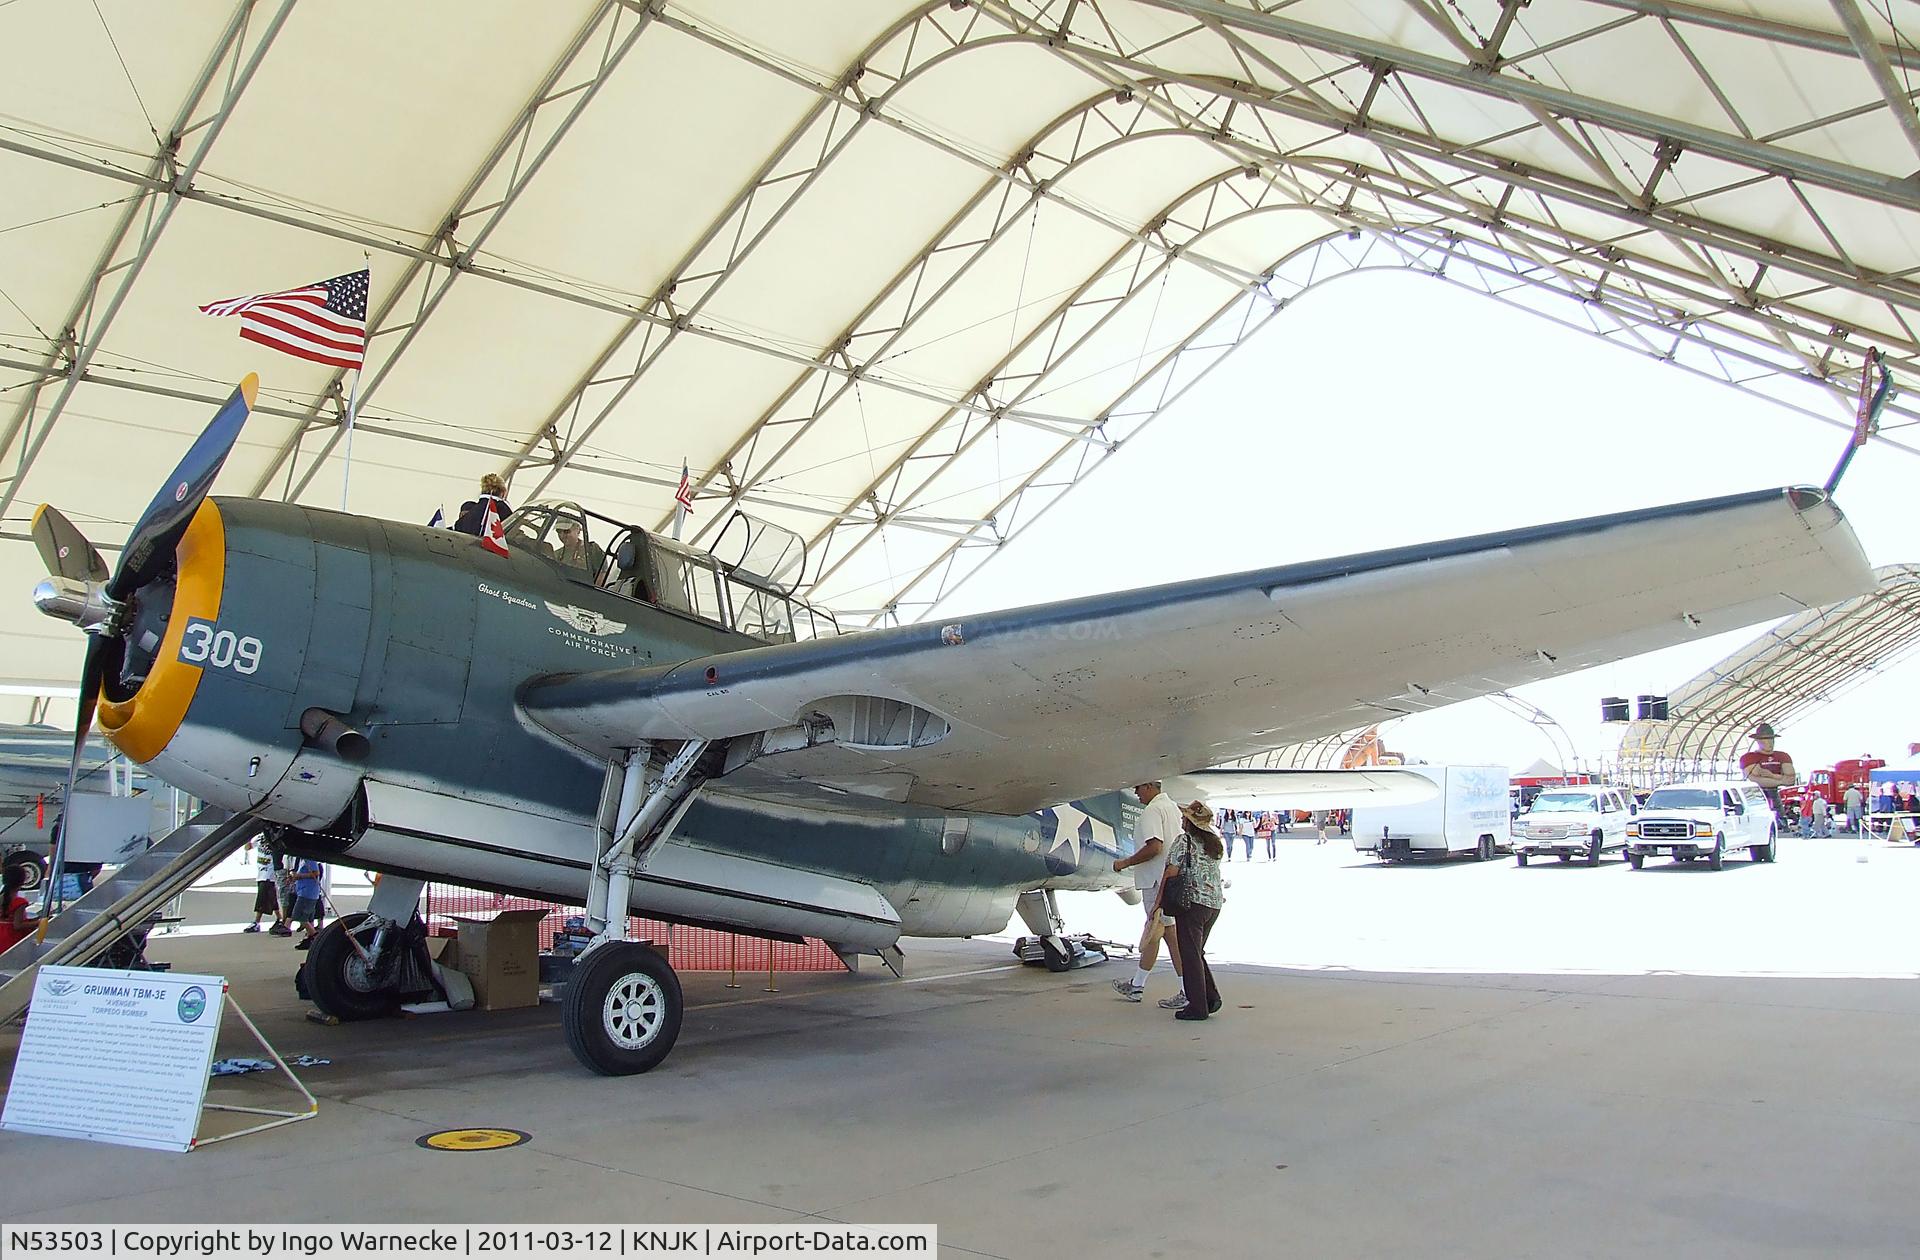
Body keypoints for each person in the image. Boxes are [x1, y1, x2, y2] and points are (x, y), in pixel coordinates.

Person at [1111, 781, 1183, 1003]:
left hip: (1156, 881)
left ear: (1151, 786)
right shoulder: (1172, 807)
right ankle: (1138, 984)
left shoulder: (1152, 810)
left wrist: (1126, 862)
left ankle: (1186, 990)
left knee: (1157, 932)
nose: (1135, 792)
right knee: (1164, 933)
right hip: (1169, 878)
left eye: (1139, 787)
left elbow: (1155, 846)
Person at [1161, 801, 1226, 1020]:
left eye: (1185, 817)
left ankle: (1197, 1007)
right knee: (1197, 952)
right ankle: (1210, 996)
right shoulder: (1215, 843)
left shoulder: (1184, 841)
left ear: (1190, 822)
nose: (1182, 819)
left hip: (1192, 903)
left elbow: (1171, 872)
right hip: (1214, 903)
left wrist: (1158, 901)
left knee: (1189, 955)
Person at [1739, 722, 1797, 814]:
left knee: (1780, 820)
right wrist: (1781, 779)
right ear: (1758, 741)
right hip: (1755, 797)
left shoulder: (1783, 756)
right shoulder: (1749, 757)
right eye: (1765, 739)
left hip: (1775, 795)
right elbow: (1754, 780)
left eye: (1771, 739)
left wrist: (1771, 775)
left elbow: (1790, 779)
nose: (1770, 743)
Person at [244, 839, 286, 934]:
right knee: (271, 898)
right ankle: (279, 919)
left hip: (269, 874)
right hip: (260, 873)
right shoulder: (260, 838)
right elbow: (247, 847)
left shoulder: (275, 840)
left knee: (262, 897)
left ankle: (257, 922)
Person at [0, 860, 40, 955]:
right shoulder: (19, 902)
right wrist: (38, 922)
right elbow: (17, 925)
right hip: (10, 939)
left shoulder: (2, 897)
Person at [289, 856, 325, 950]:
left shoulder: (309, 859)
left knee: (298, 915)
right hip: (303, 891)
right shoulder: (301, 860)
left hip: (308, 892)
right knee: (307, 917)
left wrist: (299, 876)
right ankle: (310, 937)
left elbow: (316, 873)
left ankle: (313, 935)